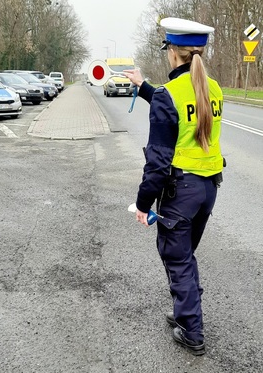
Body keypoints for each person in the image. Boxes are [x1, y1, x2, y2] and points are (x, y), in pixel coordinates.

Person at [124, 17, 224, 356]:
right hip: (208, 188)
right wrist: (144, 86)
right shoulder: (213, 88)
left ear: (173, 53)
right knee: (184, 254)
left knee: (176, 258)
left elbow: (157, 162)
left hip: (180, 192)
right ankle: (187, 311)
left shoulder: (173, 94)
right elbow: (182, 109)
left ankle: (191, 330)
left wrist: (142, 204)